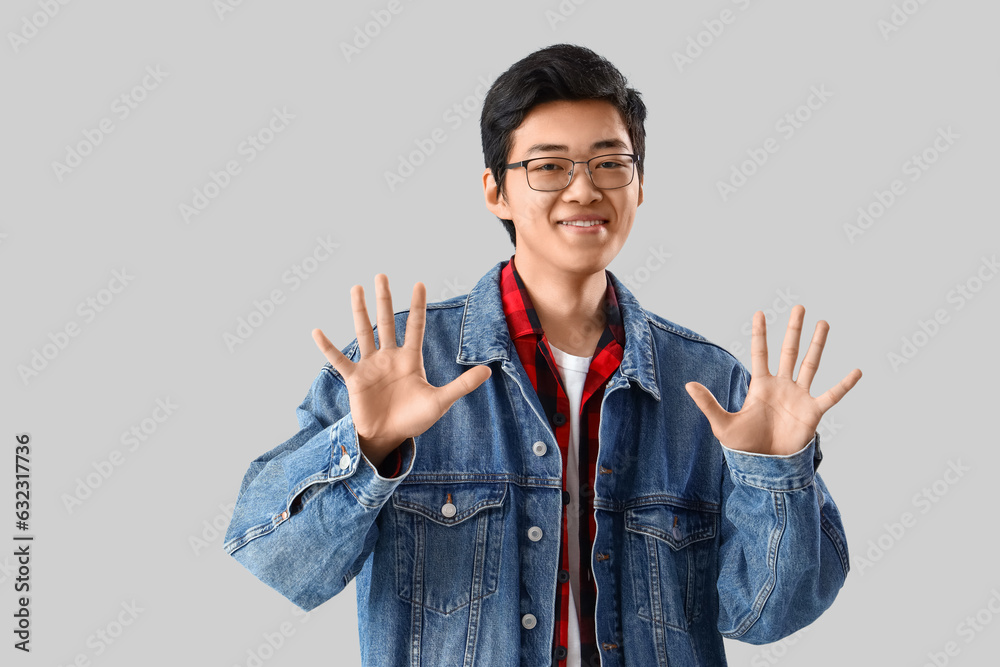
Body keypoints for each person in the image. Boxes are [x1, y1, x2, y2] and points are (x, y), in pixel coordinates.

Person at [224, 44, 862, 667]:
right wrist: (370, 447)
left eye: (610, 162)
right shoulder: (399, 368)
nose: (584, 189)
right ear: (496, 191)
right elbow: (277, 561)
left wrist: (772, 475)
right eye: (549, 166)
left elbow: (763, 617)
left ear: (639, 185)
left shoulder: (708, 384)